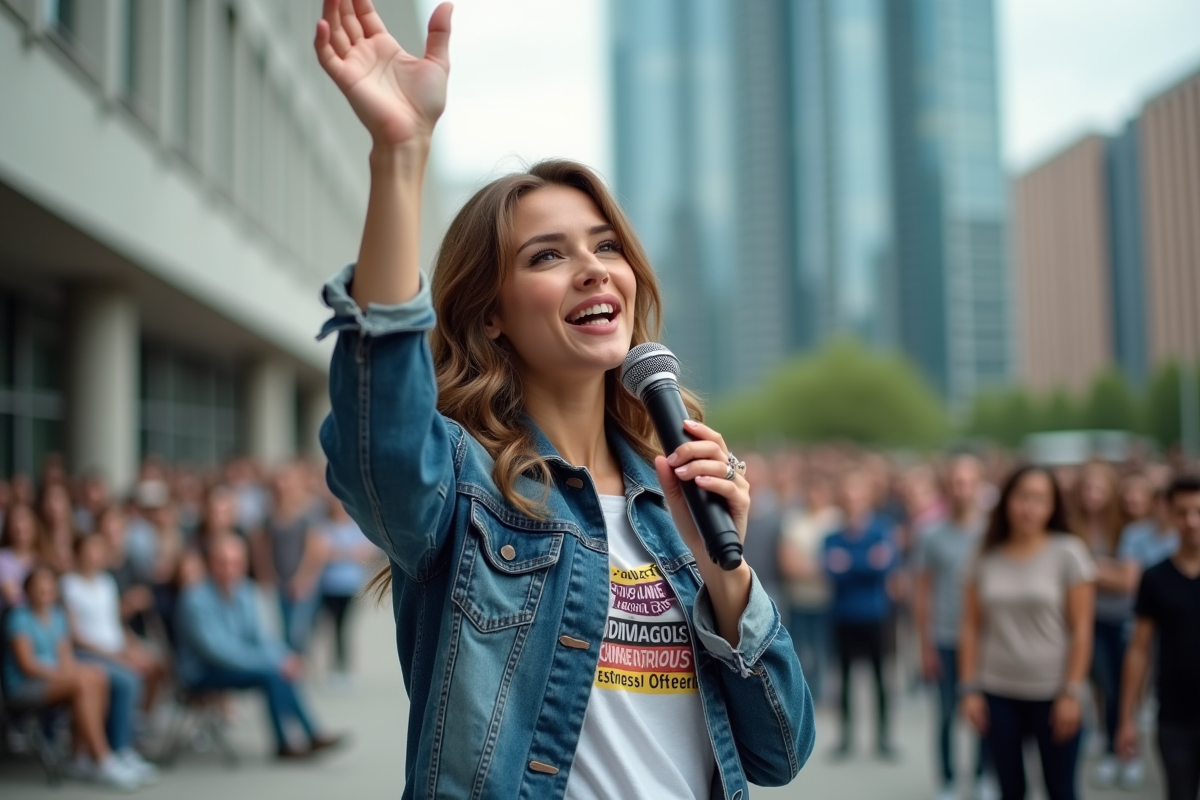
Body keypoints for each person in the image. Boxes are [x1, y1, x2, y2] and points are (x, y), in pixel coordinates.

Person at [314, 1, 815, 796]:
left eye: (606, 245)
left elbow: (780, 751)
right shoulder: (466, 490)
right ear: (491, 314)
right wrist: (399, 156)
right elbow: (383, 441)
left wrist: (727, 573)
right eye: (549, 255)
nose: (594, 269)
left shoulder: (673, 500)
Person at [959, 466, 1095, 800]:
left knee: (1061, 789)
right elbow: (971, 627)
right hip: (997, 692)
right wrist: (969, 688)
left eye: (1040, 499)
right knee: (1010, 789)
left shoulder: (1069, 553)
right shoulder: (985, 555)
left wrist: (1072, 692)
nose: (1029, 507)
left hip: (1054, 693)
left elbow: (1081, 629)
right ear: (1006, 501)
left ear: (1053, 506)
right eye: (1022, 497)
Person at [175, 535, 344, 759]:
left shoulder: (246, 592)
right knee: (273, 673)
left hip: (235, 665)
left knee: (281, 669)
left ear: (244, 564)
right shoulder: (194, 599)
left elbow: (262, 638)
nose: (229, 569)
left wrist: (284, 657)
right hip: (203, 671)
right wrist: (274, 661)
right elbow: (217, 651)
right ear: (210, 564)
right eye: (222, 562)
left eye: (235, 563)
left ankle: (306, 735)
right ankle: (289, 742)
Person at [2, 566, 144, 789]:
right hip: (24, 685)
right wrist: (66, 674)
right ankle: (102, 759)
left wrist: (69, 671)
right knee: (83, 681)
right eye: (39, 587)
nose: (44, 592)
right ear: (27, 590)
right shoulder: (18, 618)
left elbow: (65, 657)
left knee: (96, 675)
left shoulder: (58, 617)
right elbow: (28, 665)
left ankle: (81, 757)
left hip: (53, 679)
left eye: (48, 587)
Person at [913, 455, 994, 800]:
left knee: (985, 713)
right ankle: (947, 780)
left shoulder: (992, 532)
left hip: (987, 640)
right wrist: (925, 645)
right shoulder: (930, 533)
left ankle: (981, 775)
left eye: (968, 483)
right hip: (945, 636)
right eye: (956, 483)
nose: (962, 490)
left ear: (979, 486)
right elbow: (922, 591)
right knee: (946, 715)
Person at [1117, 475, 1200, 800]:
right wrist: (1126, 719)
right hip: (1173, 716)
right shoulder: (1155, 578)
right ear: (1168, 513)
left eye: (1198, 510)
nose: (1192, 521)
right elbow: (1138, 649)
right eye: (1182, 512)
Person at [61, 533, 165, 779]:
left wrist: (130, 648)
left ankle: (129, 738)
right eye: (90, 550)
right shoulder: (68, 585)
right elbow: (75, 635)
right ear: (78, 553)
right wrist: (115, 655)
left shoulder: (107, 581)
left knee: (152, 665)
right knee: (128, 679)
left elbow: (114, 625)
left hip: (114, 652)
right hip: (86, 654)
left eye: (99, 551)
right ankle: (118, 750)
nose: (95, 556)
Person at [1070, 461, 1140, 788]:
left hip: (1123, 618)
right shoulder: (1074, 528)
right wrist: (1103, 571)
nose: (1093, 495)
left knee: (1127, 686)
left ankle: (1124, 747)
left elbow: (1128, 580)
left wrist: (1086, 567)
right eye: (1088, 489)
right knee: (1104, 685)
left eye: (1099, 489)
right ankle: (1111, 745)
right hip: (1090, 618)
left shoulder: (1126, 528)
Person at [824, 469, 898, 759]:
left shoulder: (882, 529)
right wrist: (866, 561)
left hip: (876, 614)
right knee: (843, 679)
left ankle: (883, 738)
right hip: (843, 615)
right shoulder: (833, 534)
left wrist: (850, 563)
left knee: (881, 678)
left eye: (859, 495)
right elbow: (830, 569)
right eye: (849, 496)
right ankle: (845, 739)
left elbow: (884, 566)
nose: (853, 500)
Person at [779, 471, 841, 705]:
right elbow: (788, 563)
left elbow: (844, 560)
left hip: (827, 598)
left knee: (824, 647)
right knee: (801, 648)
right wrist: (824, 567)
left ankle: (823, 690)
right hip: (799, 596)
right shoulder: (794, 521)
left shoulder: (836, 520)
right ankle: (804, 692)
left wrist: (811, 566)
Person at [253, 463, 327, 654]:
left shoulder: (309, 510)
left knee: (300, 630)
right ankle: (290, 667)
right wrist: (265, 574)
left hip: (302, 581)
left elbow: (316, 549)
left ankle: (299, 663)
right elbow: (262, 547)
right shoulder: (270, 512)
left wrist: (303, 578)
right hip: (279, 580)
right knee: (282, 629)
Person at [317, 496, 377, 688]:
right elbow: (321, 553)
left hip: (350, 586)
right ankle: (334, 669)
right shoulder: (324, 527)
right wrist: (348, 553)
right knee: (332, 629)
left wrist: (338, 552)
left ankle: (345, 669)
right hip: (329, 586)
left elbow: (367, 551)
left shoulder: (356, 527)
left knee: (344, 628)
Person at [0, 503, 45, 608]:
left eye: (25, 520)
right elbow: (12, 597)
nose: (20, 526)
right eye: (15, 521)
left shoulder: (42, 559)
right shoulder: (2, 558)